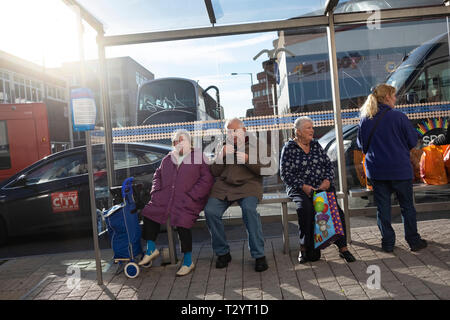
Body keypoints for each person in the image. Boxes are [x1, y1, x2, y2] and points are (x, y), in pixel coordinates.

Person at [357, 84, 427, 253]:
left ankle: (387, 243)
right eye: (394, 96)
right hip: (399, 170)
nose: (395, 99)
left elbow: (361, 145)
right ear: (387, 97)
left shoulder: (366, 119)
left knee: (383, 208)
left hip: (377, 171)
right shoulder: (399, 117)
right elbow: (412, 141)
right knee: (407, 206)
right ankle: (413, 241)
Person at [280, 116, 356, 264]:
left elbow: (328, 165)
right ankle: (304, 247)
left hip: (321, 187)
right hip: (300, 188)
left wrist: (327, 181)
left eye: (312, 127)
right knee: (306, 209)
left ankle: (343, 248)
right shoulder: (289, 148)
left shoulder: (315, 145)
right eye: (308, 128)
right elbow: (285, 174)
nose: (312, 130)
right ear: (298, 131)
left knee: (336, 212)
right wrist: (304, 186)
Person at [139, 129, 214, 276]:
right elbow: (157, 176)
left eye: (182, 140)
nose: (178, 143)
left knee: (182, 221)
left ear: (189, 142)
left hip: (189, 199)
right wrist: (156, 191)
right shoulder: (168, 158)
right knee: (149, 212)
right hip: (165, 198)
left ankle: (187, 261)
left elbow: (206, 180)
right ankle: (151, 248)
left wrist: (192, 196)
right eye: (175, 141)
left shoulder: (198, 157)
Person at [204, 118, 269, 272]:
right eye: (228, 131)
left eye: (234, 131)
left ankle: (259, 255)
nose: (231, 134)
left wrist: (247, 159)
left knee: (249, 210)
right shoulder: (223, 145)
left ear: (244, 130)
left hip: (249, 185)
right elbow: (214, 172)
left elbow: (266, 169)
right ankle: (223, 252)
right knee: (210, 211)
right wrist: (220, 156)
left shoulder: (257, 144)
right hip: (224, 186)